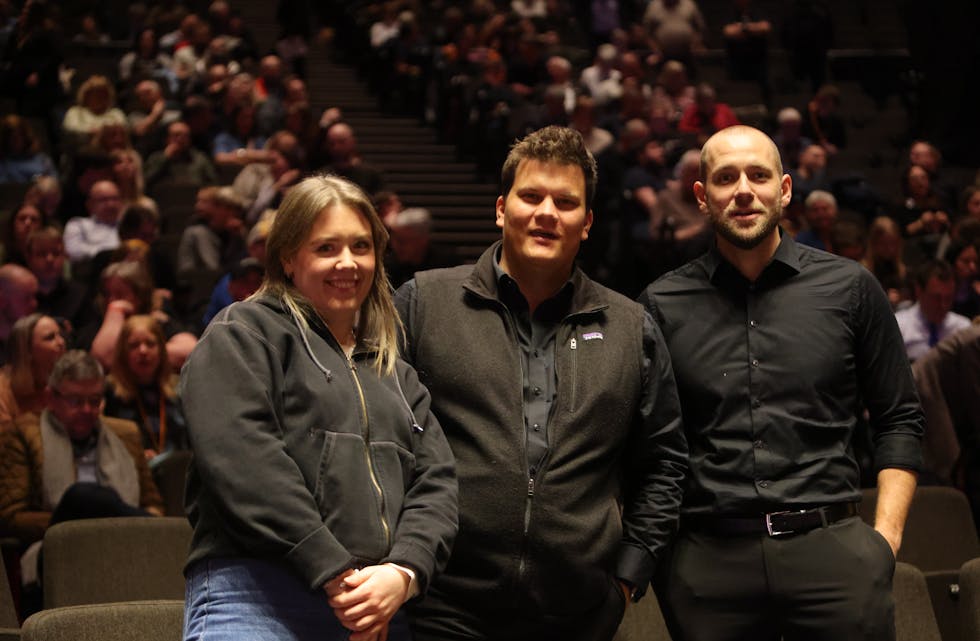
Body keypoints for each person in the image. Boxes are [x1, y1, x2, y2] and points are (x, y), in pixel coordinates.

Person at [395, 125, 687, 641]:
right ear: (502, 209)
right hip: (442, 607)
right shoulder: (424, 304)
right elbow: (384, 439)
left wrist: (627, 576)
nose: (547, 212)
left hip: (578, 615)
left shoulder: (629, 326)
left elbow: (663, 463)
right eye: (531, 196)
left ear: (588, 221)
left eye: (566, 202)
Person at [638, 125, 923, 641]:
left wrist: (885, 541)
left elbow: (899, 417)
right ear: (702, 197)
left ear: (784, 189)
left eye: (758, 175)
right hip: (709, 567)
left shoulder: (851, 288)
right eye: (725, 177)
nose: (743, 189)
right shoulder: (660, 304)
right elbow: (651, 445)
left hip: (835, 556)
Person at [180, 174, 458, 641]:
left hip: (374, 606)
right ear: (288, 257)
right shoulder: (244, 332)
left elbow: (438, 482)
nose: (347, 263)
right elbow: (243, 461)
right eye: (326, 248)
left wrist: (403, 572)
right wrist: (335, 570)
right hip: (255, 595)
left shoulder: (394, 369)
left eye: (361, 247)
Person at [0, 349, 163, 547]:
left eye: (94, 401)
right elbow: (10, 516)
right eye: (75, 401)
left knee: (100, 498)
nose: (87, 410)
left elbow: (153, 503)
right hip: (57, 546)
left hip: (125, 544)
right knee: (81, 496)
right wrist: (79, 523)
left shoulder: (125, 434)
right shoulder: (23, 433)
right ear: (51, 398)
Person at [104, 314, 187, 459]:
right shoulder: (109, 392)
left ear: (161, 349)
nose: (143, 351)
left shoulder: (178, 389)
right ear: (123, 352)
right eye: (134, 345)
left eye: (150, 344)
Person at [895, 259, 972, 361]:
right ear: (918, 291)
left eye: (948, 298)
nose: (943, 305)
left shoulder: (963, 328)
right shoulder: (899, 326)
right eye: (936, 298)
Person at [0, 312, 65, 431]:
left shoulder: (66, 382)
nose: (61, 342)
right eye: (50, 338)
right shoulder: (3, 391)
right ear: (27, 350)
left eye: (60, 335)